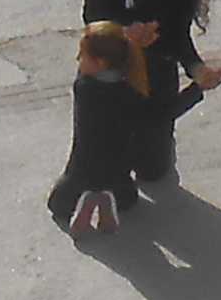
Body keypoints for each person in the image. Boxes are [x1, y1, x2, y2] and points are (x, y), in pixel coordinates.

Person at [81, 0, 220, 194]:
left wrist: (196, 68)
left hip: (158, 65)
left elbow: (178, 31)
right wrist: (125, 32)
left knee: (152, 170)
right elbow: (93, 12)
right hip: (113, 58)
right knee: (106, 158)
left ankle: (155, 145)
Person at [47, 22, 185, 234]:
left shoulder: (84, 88)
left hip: (82, 171)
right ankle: (104, 198)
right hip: (117, 173)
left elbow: (83, 73)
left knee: (58, 206)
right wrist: (197, 89)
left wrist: (130, 41)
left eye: (83, 56)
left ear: (100, 63)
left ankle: (91, 196)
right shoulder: (131, 93)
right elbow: (161, 115)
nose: (78, 60)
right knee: (127, 201)